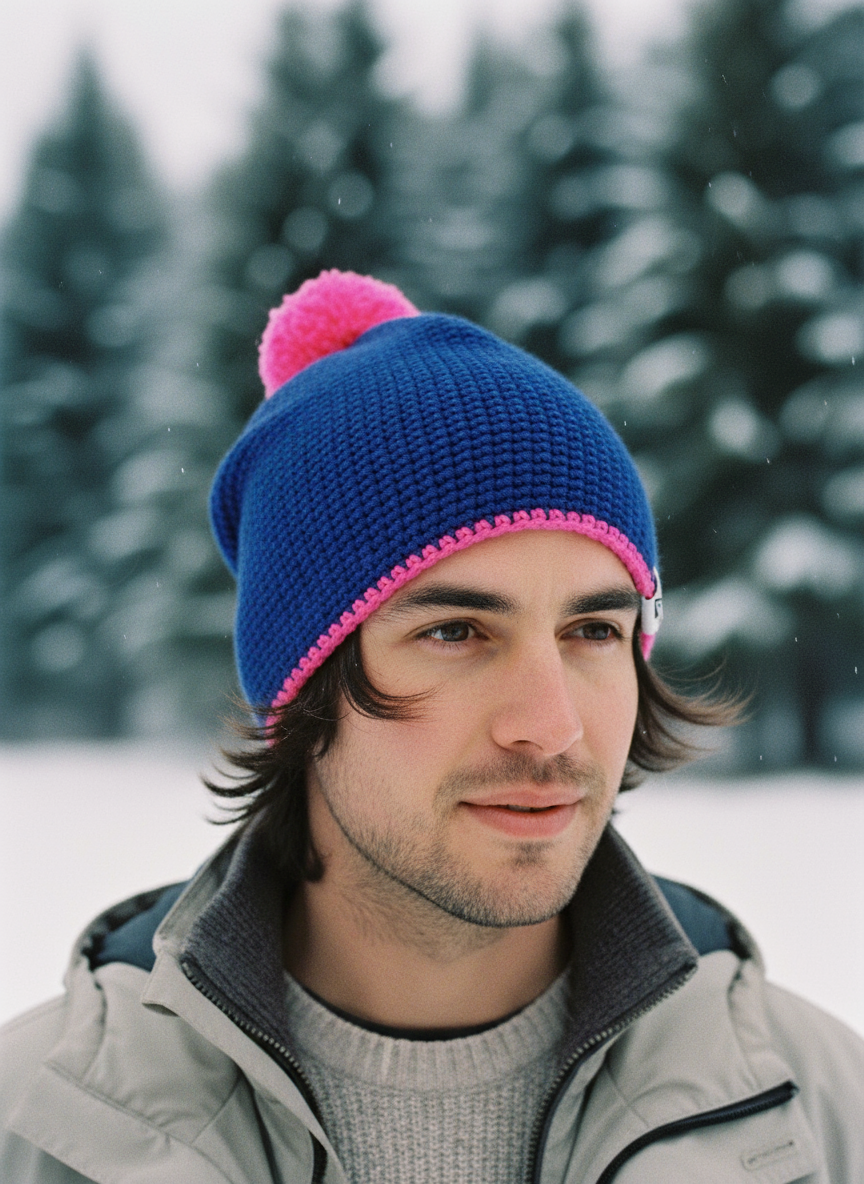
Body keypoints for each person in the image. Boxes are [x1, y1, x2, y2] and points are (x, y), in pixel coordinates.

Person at [1, 270, 862, 1184]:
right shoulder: (46, 1135)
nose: (552, 726)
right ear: (301, 689)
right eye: (455, 631)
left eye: (594, 631)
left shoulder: (821, 1116)